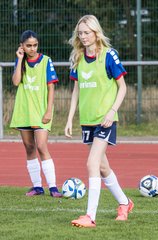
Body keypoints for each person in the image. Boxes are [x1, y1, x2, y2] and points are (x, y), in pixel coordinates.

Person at [65, 15, 132, 228]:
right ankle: (124, 202)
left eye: (87, 32)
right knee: (102, 167)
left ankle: (89, 216)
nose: (83, 36)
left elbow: (123, 87)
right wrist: (69, 119)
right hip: (87, 120)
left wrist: (112, 112)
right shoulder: (77, 57)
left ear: (96, 32)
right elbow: (76, 91)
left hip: (105, 120)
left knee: (91, 163)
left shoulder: (109, 55)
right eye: (80, 33)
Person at [10, 30, 62, 198]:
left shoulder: (46, 61)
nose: (32, 48)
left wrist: (48, 110)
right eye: (28, 46)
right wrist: (19, 59)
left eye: (35, 45)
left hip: (41, 110)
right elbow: (16, 82)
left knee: (41, 146)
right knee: (29, 148)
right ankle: (37, 186)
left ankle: (53, 187)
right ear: (22, 46)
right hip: (24, 110)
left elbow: (51, 87)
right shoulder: (20, 61)